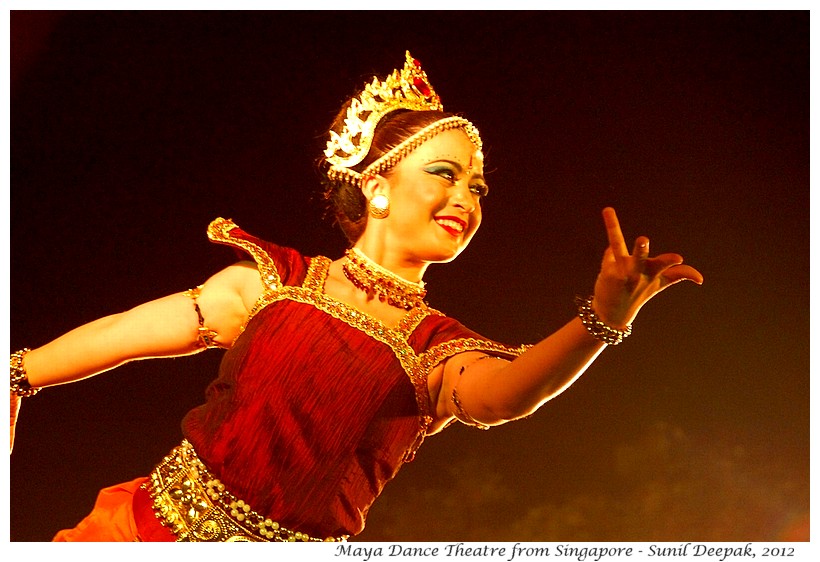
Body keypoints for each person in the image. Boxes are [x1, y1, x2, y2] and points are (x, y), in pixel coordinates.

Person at [9, 52, 703, 542]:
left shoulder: (434, 347)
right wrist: (17, 374)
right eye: (445, 174)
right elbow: (132, 329)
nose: (465, 197)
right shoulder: (279, 283)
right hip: (140, 537)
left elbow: (502, 397)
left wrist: (602, 321)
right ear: (376, 185)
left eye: (478, 187)